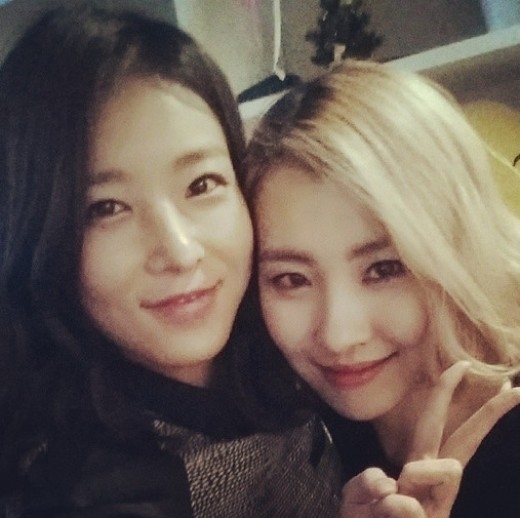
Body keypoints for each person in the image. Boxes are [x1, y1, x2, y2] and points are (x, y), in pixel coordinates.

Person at [0, 5, 349, 516]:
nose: (181, 252)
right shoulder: (94, 488)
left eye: (202, 184)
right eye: (106, 208)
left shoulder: (294, 340)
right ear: (38, 233)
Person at [245, 59, 520, 517]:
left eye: (384, 269)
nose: (338, 336)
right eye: (291, 279)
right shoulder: (293, 433)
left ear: (457, 248)